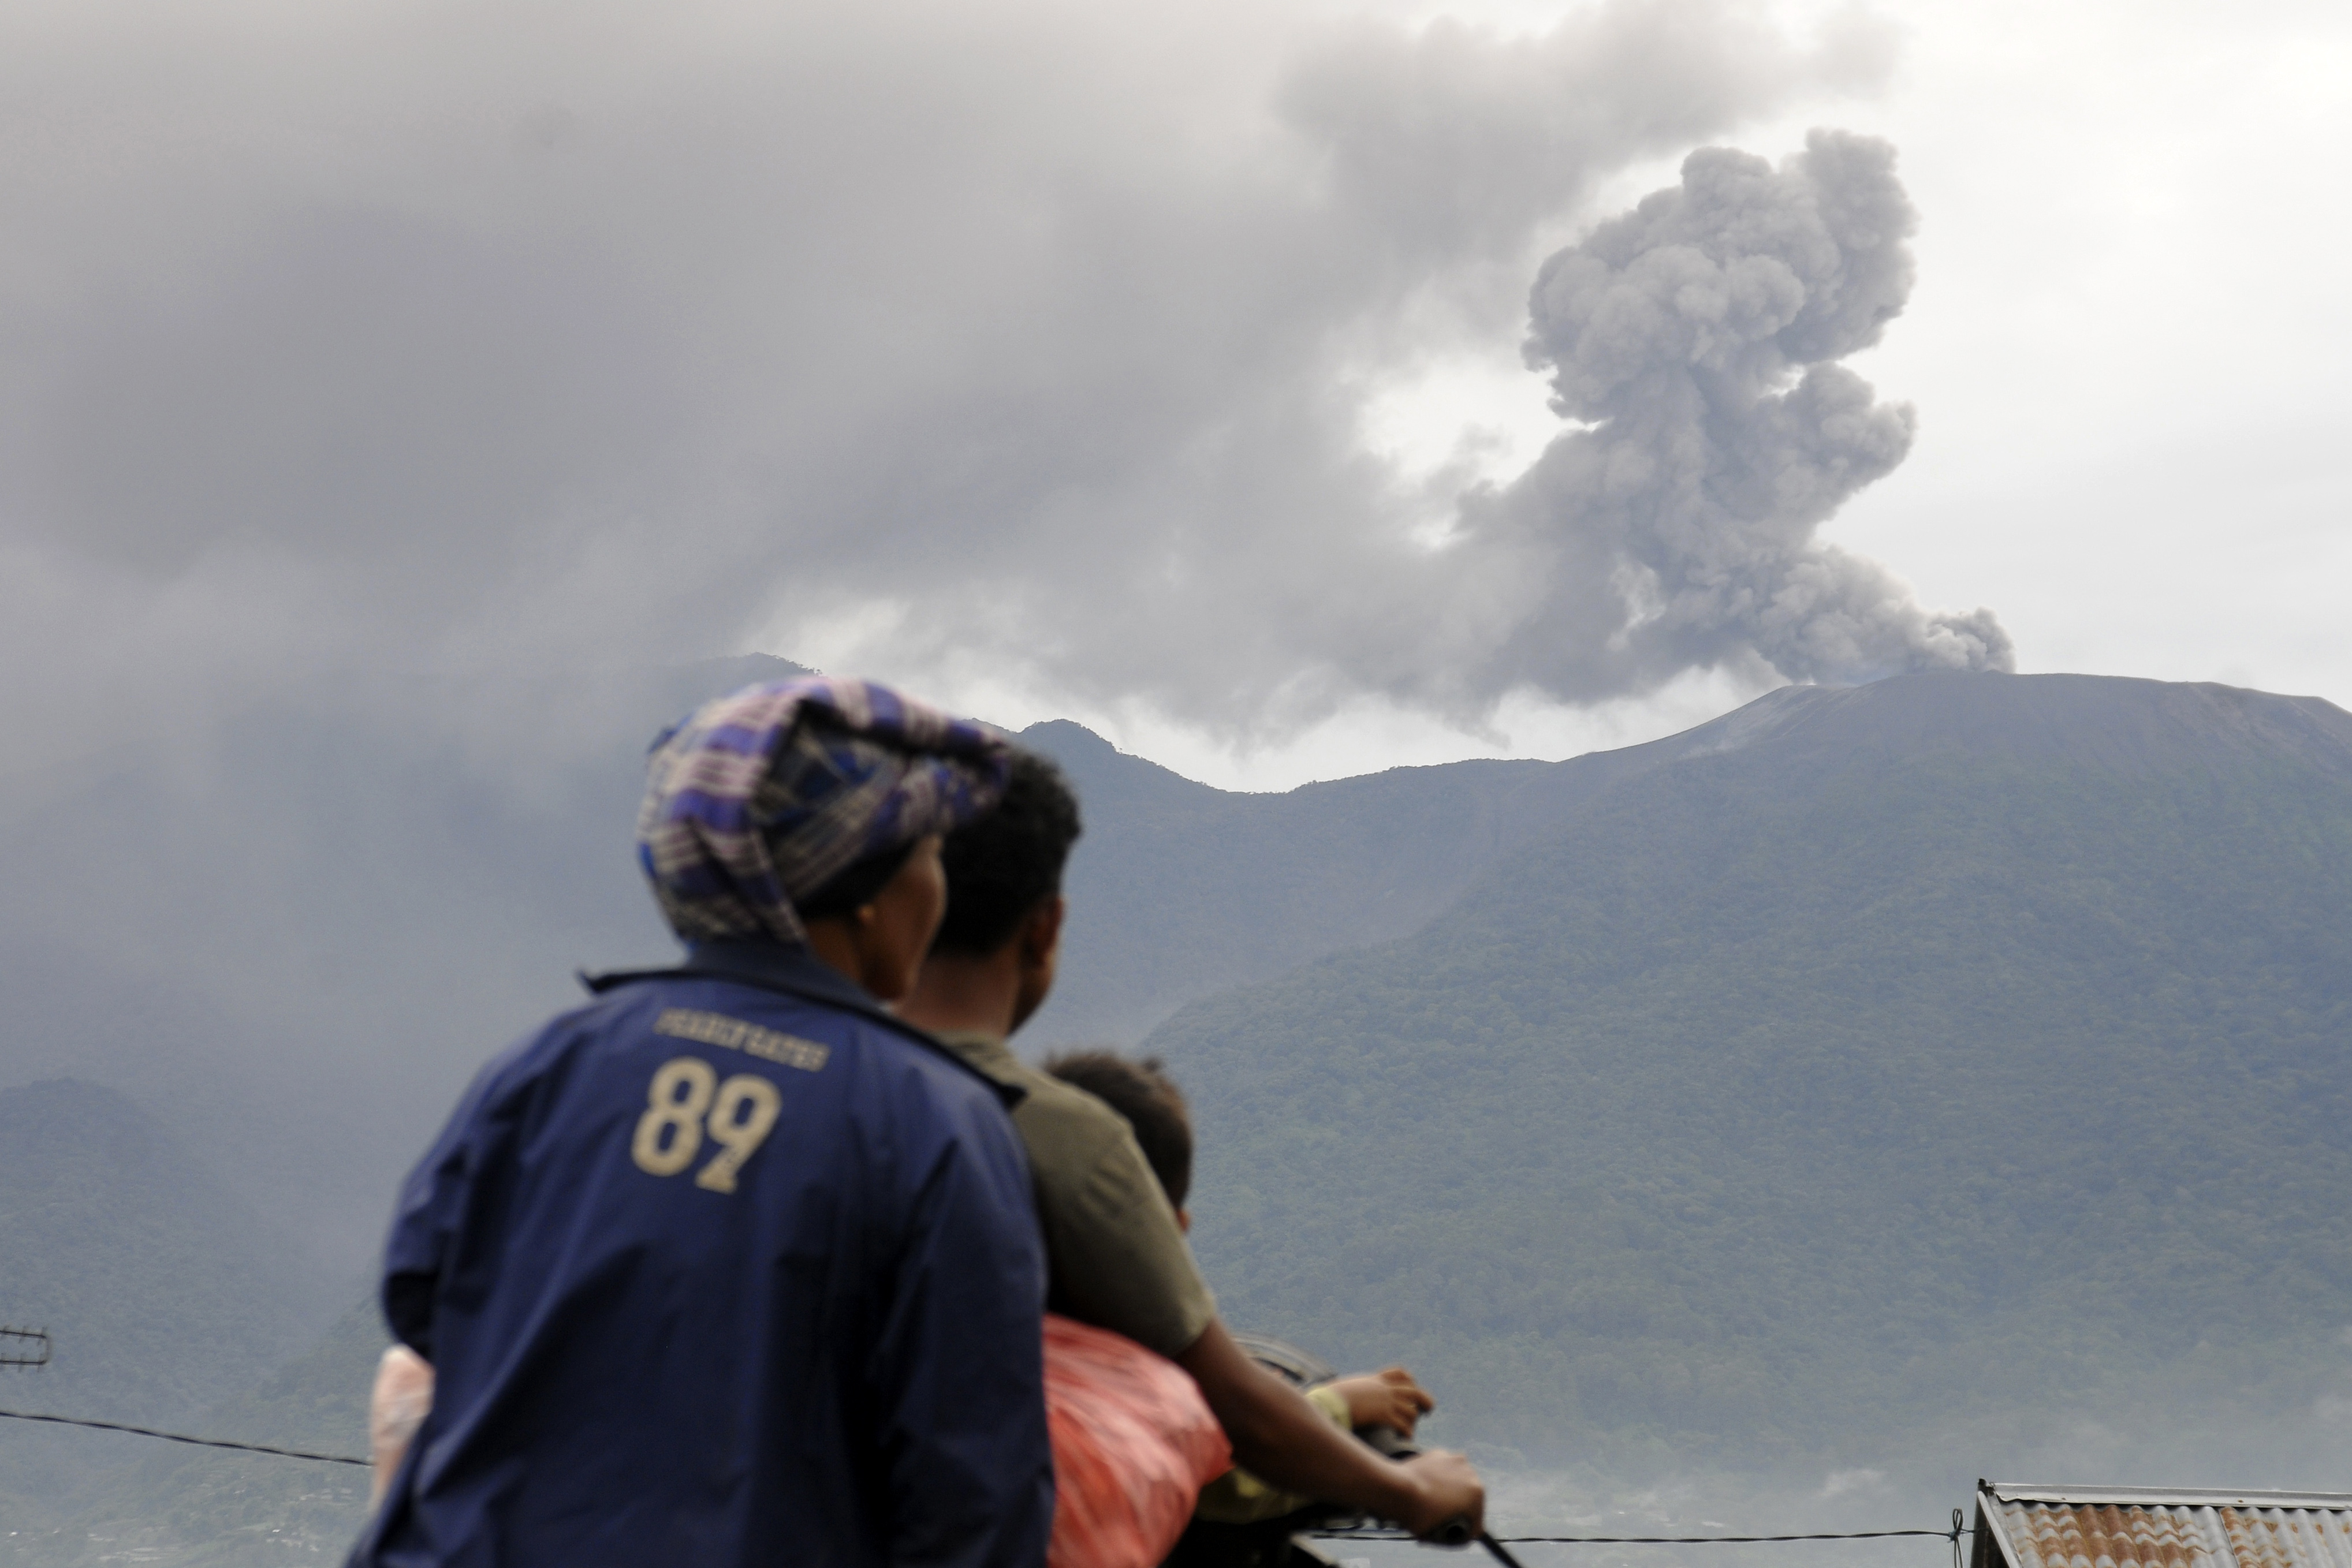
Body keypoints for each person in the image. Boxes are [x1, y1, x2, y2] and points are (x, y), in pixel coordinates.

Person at [349, 678, 1054, 1568]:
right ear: (869, 892)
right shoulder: (934, 1121)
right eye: (930, 858)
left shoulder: (553, 1059)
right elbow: (977, 1495)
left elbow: (419, 1289)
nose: (938, 890)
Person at [896, 749, 1483, 1541]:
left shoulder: (814, 1090)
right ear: (1047, 928)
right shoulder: (1057, 1137)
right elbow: (1236, 1426)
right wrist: (1412, 1491)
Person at [1043, 1050, 1433, 1525]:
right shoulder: (1124, 1365)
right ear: (1167, 1233)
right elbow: (1226, 1480)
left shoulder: (981, 1319)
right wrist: (1342, 1408)